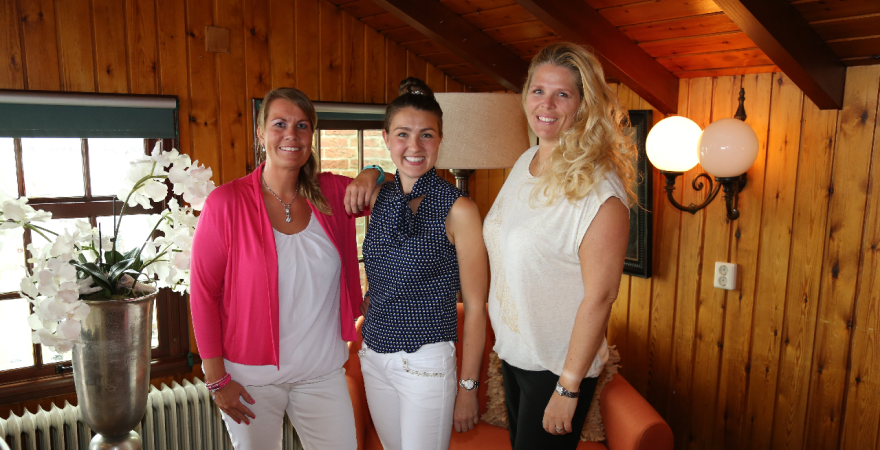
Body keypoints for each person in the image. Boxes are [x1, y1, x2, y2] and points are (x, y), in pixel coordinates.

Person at [189, 87, 385, 450]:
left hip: (322, 372)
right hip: (251, 378)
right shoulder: (226, 203)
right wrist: (216, 379)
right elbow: (203, 294)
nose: (291, 135)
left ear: (312, 135)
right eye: (279, 124)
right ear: (260, 133)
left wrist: (374, 172)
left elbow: (401, 202)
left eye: (302, 125)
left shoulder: (331, 194)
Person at [483, 42, 635, 450]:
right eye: (538, 90)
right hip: (514, 356)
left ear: (583, 105)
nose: (545, 104)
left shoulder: (599, 191)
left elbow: (601, 296)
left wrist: (568, 387)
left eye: (562, 94)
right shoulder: (527, 160)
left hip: (555, 369)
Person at [357, 77, 489, 450]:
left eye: (426, 135)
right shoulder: (378, 197)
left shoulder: (459, 209)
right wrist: (372, 170)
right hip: (373, 357)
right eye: (403, 134)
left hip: (426, 364)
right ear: (386, 138)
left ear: (440, 139)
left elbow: (476, 307)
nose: (414, 146)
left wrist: (468, 388)